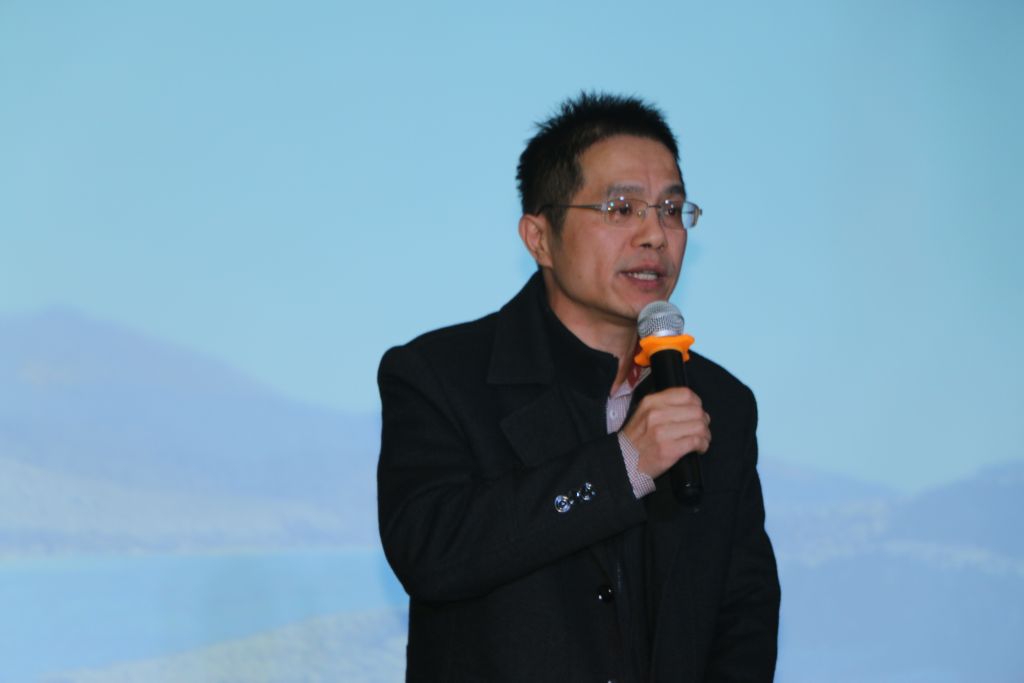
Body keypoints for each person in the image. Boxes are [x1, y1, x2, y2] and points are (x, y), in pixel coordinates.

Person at [377, 92, 780, 682]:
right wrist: (625, 464)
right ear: (539, 237)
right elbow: (432, 554)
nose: (655, 235)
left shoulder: (720, 402)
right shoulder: (440, 375)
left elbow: (743, 613)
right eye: (621, 208)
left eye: (672, 210)